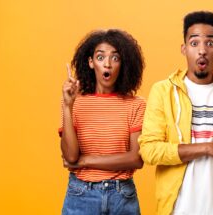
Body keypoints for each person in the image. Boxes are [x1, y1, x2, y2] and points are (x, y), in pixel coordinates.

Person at [138, 11, 213, 215]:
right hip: (178, 210)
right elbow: (149, 150)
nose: (202, 50)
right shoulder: (163, 91)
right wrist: (208, 148)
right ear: (184, 49)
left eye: (209, 43)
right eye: (194, 43)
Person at [59, 29, 145, 215]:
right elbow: (70, 157)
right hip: (81, 194)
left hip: (122, 196)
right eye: (100, 57)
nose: (107, 64)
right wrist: (67, 106)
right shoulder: (75, 101)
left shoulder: (136, 105)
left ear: (123, 64)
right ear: (91, 62)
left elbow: (136, 159)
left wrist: (85, 161)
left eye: (115, 58)